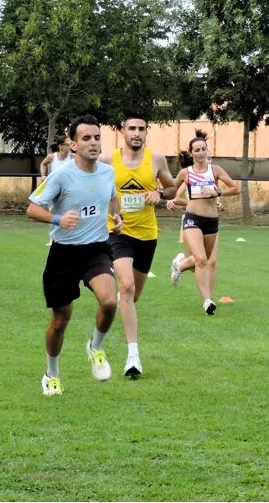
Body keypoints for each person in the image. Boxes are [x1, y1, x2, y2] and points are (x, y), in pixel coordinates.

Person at [26, 114, 123, 397]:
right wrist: (57, 220)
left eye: (97, 138)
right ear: (74, 143)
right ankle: (51, 374)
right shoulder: (61, 174)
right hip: (64, 254)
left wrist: (116, 215)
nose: (93, 143)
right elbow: (32, 208)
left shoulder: (107, 172)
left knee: (108, 301)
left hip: (96, 249)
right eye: (86, 138)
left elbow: (111, 196)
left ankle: (95, 347)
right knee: (60, 321)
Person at [99, 115, 177, 378]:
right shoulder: (109, 161)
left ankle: (121, 307)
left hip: (147, 235)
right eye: (131, 128)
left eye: (141, 129)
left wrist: (160, 194)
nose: (136, 133)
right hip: (117, 231)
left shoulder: (155, 160)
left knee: (134, 295)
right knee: (127, 286)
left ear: (147, 132)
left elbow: (173, 187)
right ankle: (133, 357)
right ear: (122, 132)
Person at [167, 130, 239, 315]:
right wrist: (170, 200)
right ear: (191, 153)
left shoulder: (215, 170)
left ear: (208, 151)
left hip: (211, 221)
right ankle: (207, 301)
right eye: (196, 150)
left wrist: (217, 193)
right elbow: (172, 191)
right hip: (192, 219)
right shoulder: (186, 173)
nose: (200, 153)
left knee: (206, 261)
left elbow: (234, 188)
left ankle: (180, 265)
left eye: (203, 149)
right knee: (201, 260)